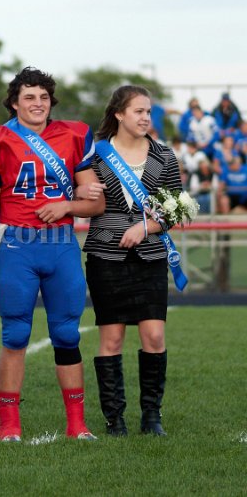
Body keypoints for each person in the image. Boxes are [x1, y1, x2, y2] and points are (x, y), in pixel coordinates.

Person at [0, 67, 105, 442]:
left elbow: (96, 204)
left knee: (67, 334)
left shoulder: (74, 135)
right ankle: (9, 424)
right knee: (15, 334)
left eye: (44, 97)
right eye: (29, 97)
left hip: (61, 245)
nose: (38, 103)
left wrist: (67, 205)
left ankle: (77, 424)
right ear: (14, 103)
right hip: (18, 247)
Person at [84, 85, 183, 437]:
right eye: (139, 111)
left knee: (154, 336)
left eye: (148, 111)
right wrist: (81, 191)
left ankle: (151, 416)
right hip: (105, 256)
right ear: (119, 114)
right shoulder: (94, 154)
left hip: (151, 256)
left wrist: (146, 227)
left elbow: (177, 208)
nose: (146, 118)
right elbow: (81, 196)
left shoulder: (164, 155)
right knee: (111, 339)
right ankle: (115, 419)